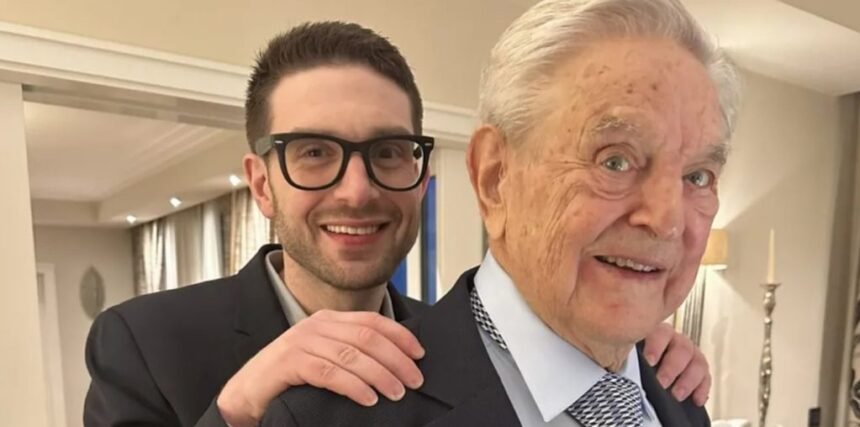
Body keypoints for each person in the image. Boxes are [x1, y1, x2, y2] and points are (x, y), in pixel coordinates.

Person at [84, 19, 714, 427]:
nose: (357, 191)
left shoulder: (447, 343)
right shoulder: (147, 342)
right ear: (261, 184)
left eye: (388, 152)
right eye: (314, 152)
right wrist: (239, 411)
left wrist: (616, 337)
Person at [261, 0, 739, 426]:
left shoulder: (680, 396)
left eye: (698, 176)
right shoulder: (327, 417)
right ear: (495, 178)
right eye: (615, 161)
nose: (666, 221)